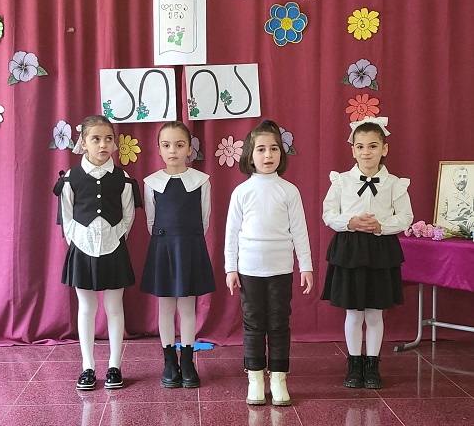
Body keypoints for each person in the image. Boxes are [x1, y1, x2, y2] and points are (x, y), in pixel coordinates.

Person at [224, 120, 314, 406]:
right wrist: (230, 268)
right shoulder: (242, 191)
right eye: (261, 149)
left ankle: (278, 378)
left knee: (278, 323)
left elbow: (300, 231)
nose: (268, 155)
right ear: (250, 156)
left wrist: (306, 266)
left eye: (274, 149)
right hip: (249, 270)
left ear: (281, 154)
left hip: (281, 269)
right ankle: (255, 379)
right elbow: (231, 233)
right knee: (253, 323)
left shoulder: (289, 191)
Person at [321, 116, 413, 389]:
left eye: (373, 146)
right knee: (353, 312)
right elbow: (328, 213)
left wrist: (381, 226)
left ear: (384, 148)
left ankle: (372, 365)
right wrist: (350, 222)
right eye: (360, 147)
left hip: (380, 250)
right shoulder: (341, 181)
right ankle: (354, 364)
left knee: (374, 313)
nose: (366, 152)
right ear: (352, 150)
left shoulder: (394, 183)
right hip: (350, 250)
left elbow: (406, 217)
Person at [53, 115, 142, 390]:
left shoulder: (123, 178)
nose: (103, 144)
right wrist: (79, 240)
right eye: (95, 139)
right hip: (82, 248)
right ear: (83, 143)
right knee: (87, 308)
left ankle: (115, 365)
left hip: (114, 247)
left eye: (108, 139)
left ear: (115, 143)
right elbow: (66, 217)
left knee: (115, 308)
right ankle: (88, 366)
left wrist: (115, 237)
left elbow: (128, 215)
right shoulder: (71, 178)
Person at [141, 121, 215, 389]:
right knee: (166, 306)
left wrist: (188, 240)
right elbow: (151, 220)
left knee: (187, 306)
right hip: (163, 247)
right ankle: (169, 362)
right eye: (167, 145)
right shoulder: (151, 183)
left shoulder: (201, 181)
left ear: (189, 149)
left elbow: (204, 219)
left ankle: (187, 361)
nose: (173, 150)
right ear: (159, 149)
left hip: (190, 246)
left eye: (179, 145)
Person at [440, 166, 474, 231]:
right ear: (453, 179)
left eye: (464, 176)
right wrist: (451, 227)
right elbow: (440, 217)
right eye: (459, 176)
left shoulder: (471, 195)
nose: (462, 180)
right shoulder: (447, 194)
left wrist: (472, 218)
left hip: (467, 229)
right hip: (450, 229)